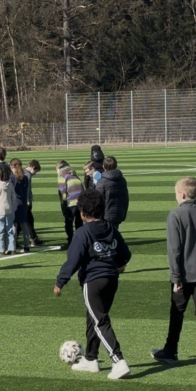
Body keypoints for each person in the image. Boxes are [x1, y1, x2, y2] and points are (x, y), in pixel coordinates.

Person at [53, 189, 132, 379]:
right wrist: (119, 265)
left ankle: (118, 361)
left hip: (93, 281)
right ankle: (90, 359)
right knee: (93, 318)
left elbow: (73, 260)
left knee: (100, 321)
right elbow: (125, 254)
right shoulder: (111, 228)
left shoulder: (82, 232)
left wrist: (60, 282)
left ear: (81, 212)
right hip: (112, 280)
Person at [150, 176, 196, 371]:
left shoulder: (175, 215)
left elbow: (174, 250)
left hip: (183, 274)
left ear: (181, 194)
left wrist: (176, 278)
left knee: (177, 312)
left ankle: (171, 351)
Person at [56, 160, 83, 249]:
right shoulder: (73, 172)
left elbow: (62, 193)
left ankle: (71, 242)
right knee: (79, 222)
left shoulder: (62, 175)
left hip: (71, 201)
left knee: (69, 222)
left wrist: (63, 208)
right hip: (81, 200)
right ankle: (80, 241)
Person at [97, 156, 129, 230]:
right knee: (114, 233)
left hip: (106, 213)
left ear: (103, 166)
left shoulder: (102, 181)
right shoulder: (122, 179)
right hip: (119, 211)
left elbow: (98, 199)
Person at [11, 158, 33, 253]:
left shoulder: (13, 179)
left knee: (14, 226)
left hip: (15, 203)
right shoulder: (25, 178)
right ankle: (26, 245)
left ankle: (13, 245)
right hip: (23, 203)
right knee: (24, 226)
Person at [25, 160, 43, 245]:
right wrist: (28, 200)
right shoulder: (27, 175)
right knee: (29, 220)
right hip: (25, 202)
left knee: (27, 220)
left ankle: (33, 237)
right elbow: (27, 189)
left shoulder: (23, 172)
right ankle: (33, 238)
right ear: (32, 168)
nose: (35, 173)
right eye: (35, 171)